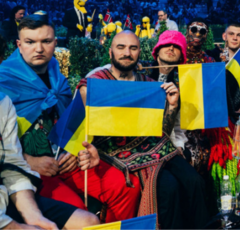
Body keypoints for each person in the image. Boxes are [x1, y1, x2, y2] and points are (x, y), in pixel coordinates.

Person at [0, 13, 140, 223]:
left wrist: (76, 150)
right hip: (28, 170)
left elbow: (71, 119)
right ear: (19, 44)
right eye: (30, 42)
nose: (39, 49)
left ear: (55, 43)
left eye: (46, 41)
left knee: (128, 187)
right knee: (79, 213)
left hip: (66, 160)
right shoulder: (5, 80)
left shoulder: (57, 74)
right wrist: (30, 161)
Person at [77, 31, 209, 229]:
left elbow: (160, 130)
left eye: (133, 48)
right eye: (121, 47)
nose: (127, 53)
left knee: (195, 182)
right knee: (168, 188)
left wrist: (172, 106)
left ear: (139, 52)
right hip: (117, 152)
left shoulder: (148, 84)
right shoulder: (98, 80)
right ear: (111, 51)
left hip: (156, 148)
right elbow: (83, 100)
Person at [0, 92, 100, 230]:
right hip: (37, 177)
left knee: (88, 223)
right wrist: (13, 226)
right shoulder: (8, 83)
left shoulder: (3, 102)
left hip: (9, 194)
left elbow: (11, 165)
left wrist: (34, 217)